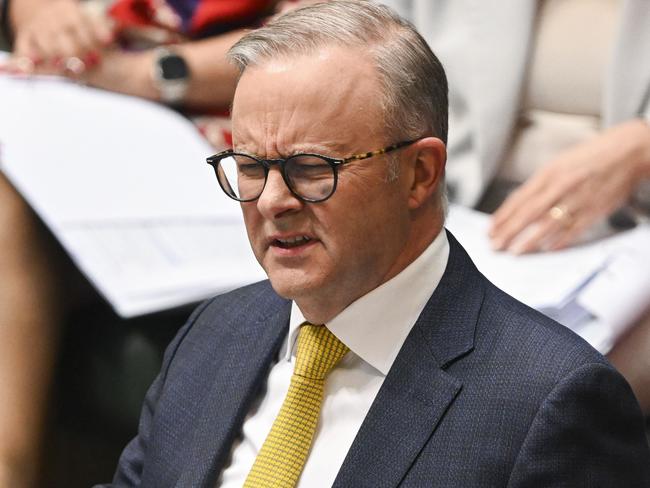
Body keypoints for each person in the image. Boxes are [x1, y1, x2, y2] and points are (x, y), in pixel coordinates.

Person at [97, 2, 650, 486]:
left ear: (419, 174)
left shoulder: (550, 402)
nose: (271, 201)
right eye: (249, 166)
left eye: (312, 167)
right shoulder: (214, 332)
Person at [0, 1, 280, 486]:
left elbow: (327, 43)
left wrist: (149, 74)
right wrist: (41, 14)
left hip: (224, 142)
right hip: (78, 106)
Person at [380, 0, 650, 414]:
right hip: (467, 218)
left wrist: (642, 147)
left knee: (539, 391)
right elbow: (361, 47)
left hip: (632, 245)